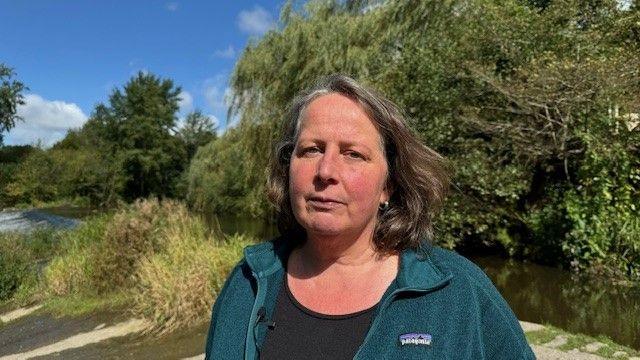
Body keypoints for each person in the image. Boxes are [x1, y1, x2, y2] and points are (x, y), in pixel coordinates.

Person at [204, 74, 535, 359]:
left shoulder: (459, 292)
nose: (326, 171)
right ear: (287, 166)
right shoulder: (247, 281)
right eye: (311, 149)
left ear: (387, 186)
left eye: (353, 154)